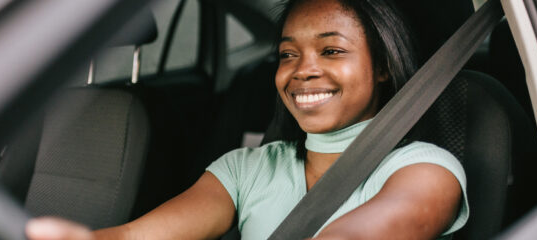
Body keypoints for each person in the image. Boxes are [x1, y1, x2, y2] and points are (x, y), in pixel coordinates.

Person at [26, 0, 469, 239]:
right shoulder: (246, 168)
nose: (302, 70)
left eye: (331, 50)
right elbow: (136, 238)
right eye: (287, 54)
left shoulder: (426, 169)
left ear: (383, 66)